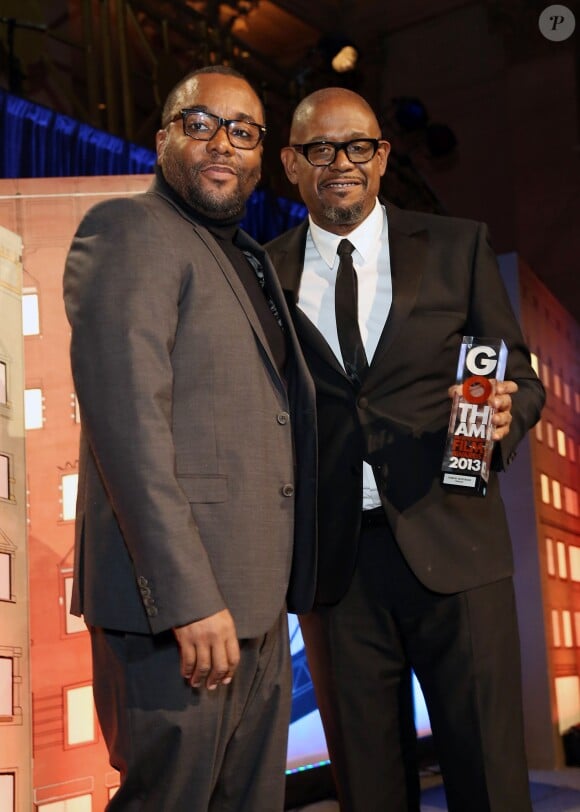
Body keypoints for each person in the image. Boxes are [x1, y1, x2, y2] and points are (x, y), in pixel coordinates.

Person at [266, 87, 545, 812]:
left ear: (383, 156)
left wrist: (505, 419)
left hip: (457, 545)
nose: (341, 163)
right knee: (369, 788)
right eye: (319, 150)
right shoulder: (260, 276)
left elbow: (518, 375)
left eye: (358, 146)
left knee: (488, 777)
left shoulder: (458, 246)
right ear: (292, 164)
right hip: (337, 568)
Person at [63, 65, 317, 812]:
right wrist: (188, 599)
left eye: (242, 131)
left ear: (260, 154)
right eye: (200, 123)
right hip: (179, 614)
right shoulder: (130, 230)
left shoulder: (248, 261)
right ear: (163, 138)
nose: (222, 143)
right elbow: (127, 427)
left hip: (259, 611)